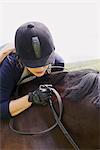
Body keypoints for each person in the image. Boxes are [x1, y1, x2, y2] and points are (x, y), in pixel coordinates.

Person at [0, 22, 64, 120]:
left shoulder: (57, 63)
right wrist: (31, 98)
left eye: (45, 62)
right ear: (20, 59)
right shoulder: (11, 65)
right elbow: (1, 109)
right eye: (33, 64)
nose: (41, 68)